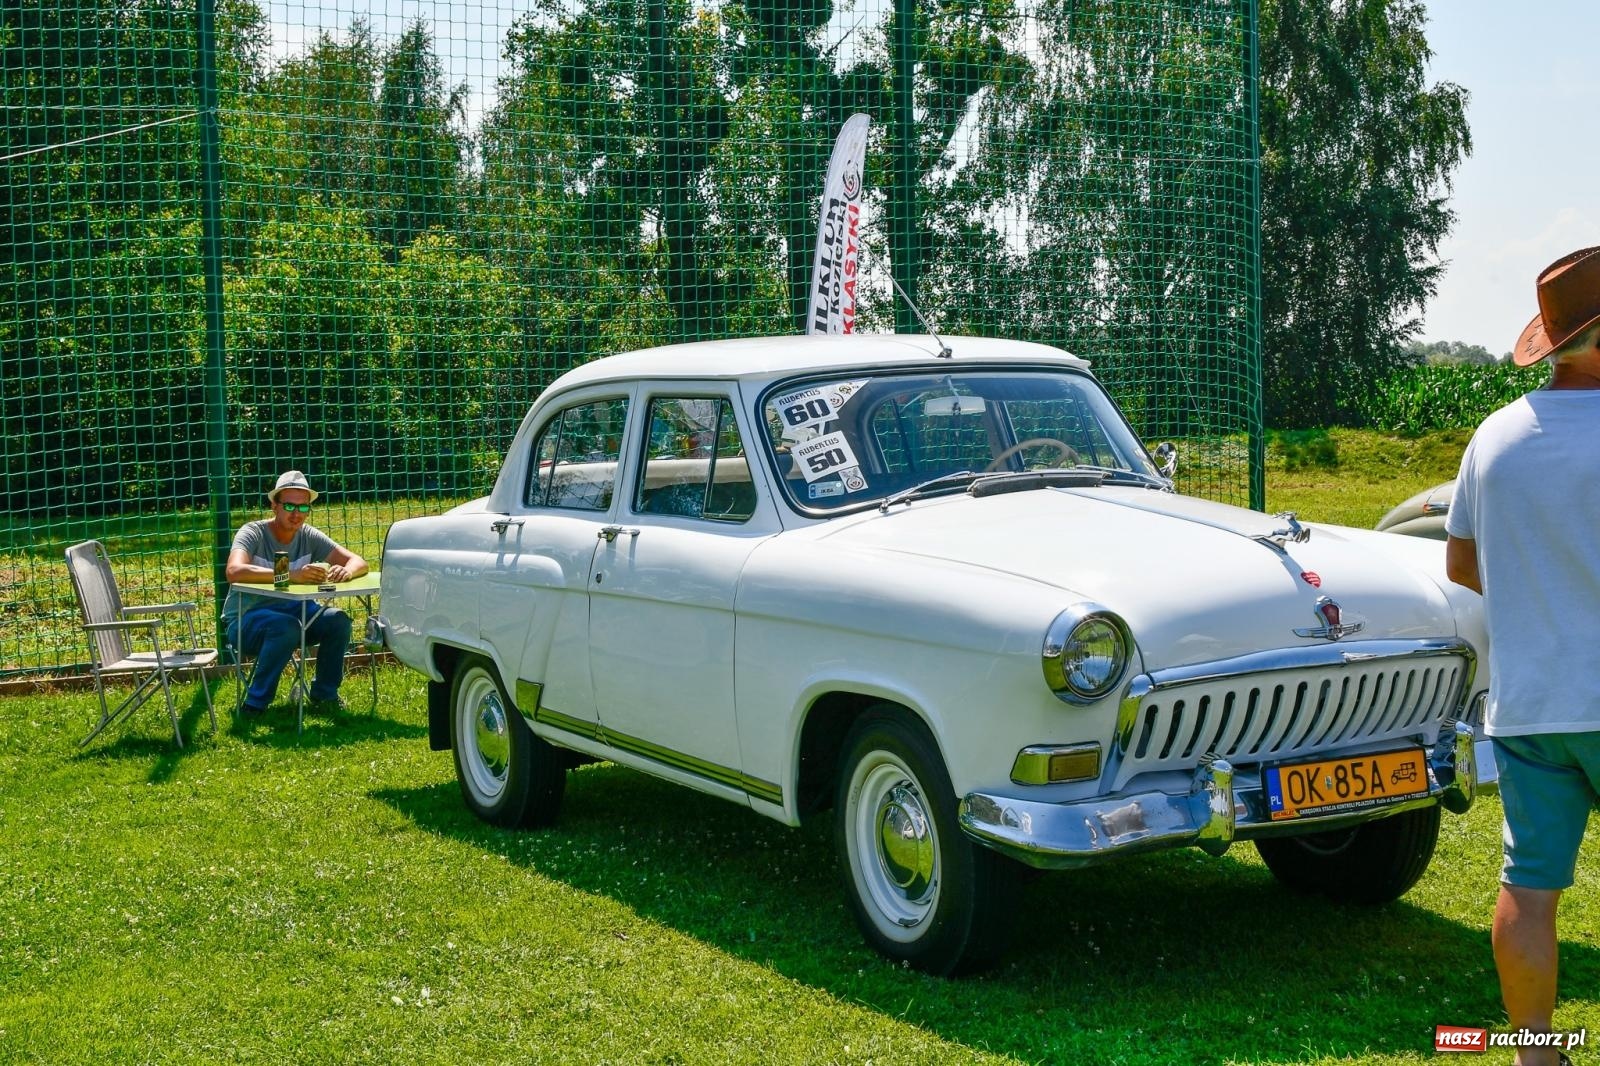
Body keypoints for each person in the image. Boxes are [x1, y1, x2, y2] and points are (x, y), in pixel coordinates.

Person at [1445, 245, 1600, 1066]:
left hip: (1532, 704)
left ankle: (1536, 1053)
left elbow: (1463, 566)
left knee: (1529, 889)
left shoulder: (1494, 438)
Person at [224, 470, 368, 717]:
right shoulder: (253, 532)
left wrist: (347, 572)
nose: (296, 514)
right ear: (274, 506)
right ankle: (254, 705)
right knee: (286, 626)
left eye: (304, 508)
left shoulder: (309, 535)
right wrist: (291, 574)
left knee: (338, 621)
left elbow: (359, 561)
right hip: (246, 620)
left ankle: (325, 696)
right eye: (289, 505)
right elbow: (234, 571)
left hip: (298, 614)